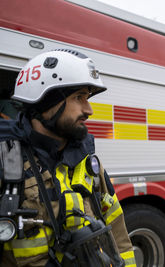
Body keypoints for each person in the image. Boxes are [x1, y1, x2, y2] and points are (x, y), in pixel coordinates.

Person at [0, 49, 136, 266]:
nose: (89, 109)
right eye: (78, 97)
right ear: (45, 101)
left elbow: (118, 236)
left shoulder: (89, 163)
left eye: (87, 98)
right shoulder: (6, 163)